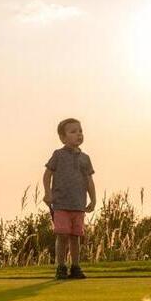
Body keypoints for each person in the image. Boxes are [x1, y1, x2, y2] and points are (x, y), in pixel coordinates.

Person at [43, 118, 96, 280]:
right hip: (61, 203)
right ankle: (61, 267)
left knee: (75, 237)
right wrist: (47, 193)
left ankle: (75, 267)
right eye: (73, 132)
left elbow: (89, 180)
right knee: (62, 235)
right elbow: (47, 174)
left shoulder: (85, 158)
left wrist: (93, 199)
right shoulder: (58, 155)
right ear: (63, 138)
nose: (78, 134)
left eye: (80, 131)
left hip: (78, 205)